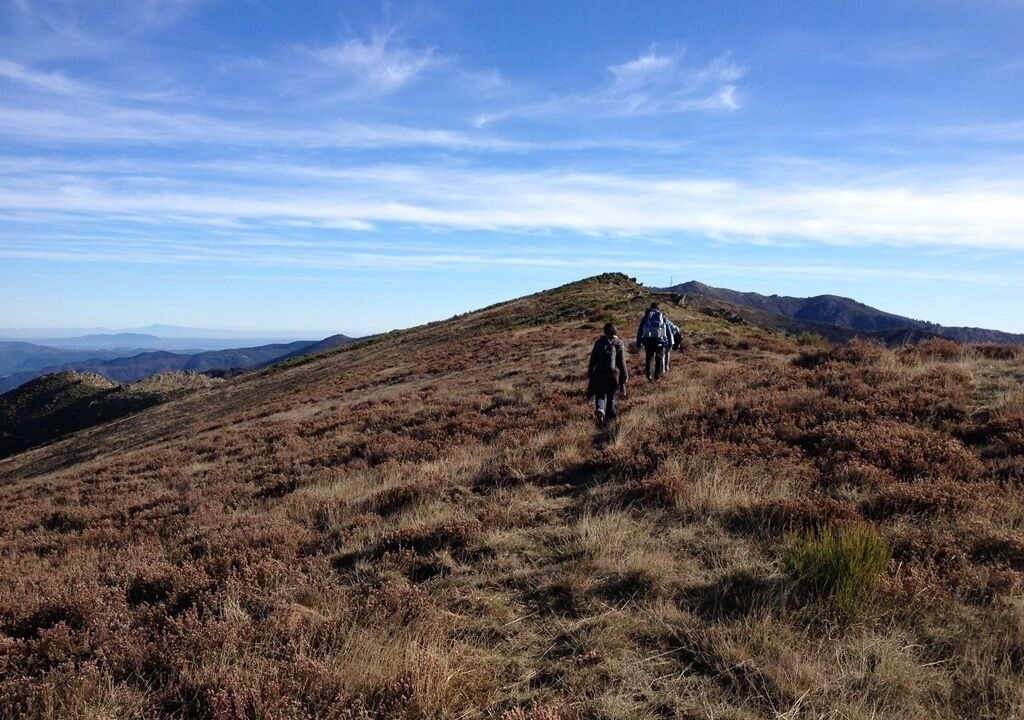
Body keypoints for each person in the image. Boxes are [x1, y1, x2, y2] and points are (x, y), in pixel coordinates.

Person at [587, 322, 628, 428]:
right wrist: (625, 375)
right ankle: (608, 419)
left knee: (600, 394)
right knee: (611, 395)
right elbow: (622, 362)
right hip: (614, 374)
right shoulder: (619, 343)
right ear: (615, 331)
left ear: (604, 331)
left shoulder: (599, 342)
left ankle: (600, 410)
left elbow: (593, 359)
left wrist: (590, 372)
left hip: (599, 373)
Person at [636, 302, 671, 380]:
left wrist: (638, 343)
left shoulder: (646, 316)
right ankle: (657, 377)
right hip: (660, 340)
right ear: (658, 308)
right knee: (659, 358)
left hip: (648, 340)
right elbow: (668, 329)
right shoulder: (662, 316)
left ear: (650, 307)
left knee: (649, 358)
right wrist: (670, 342)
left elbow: (640, 330)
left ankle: (649, 375)